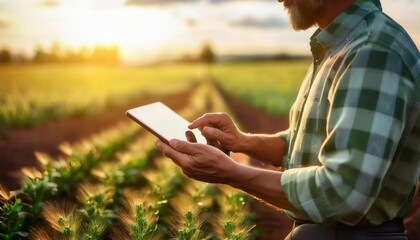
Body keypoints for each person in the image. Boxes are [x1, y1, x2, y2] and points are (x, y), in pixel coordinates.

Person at [155, 0, 420, 239]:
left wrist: (230, 172)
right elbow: (308, 143)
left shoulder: (371, 52)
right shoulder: (340, 45)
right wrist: (242, 142)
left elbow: (344, 193)